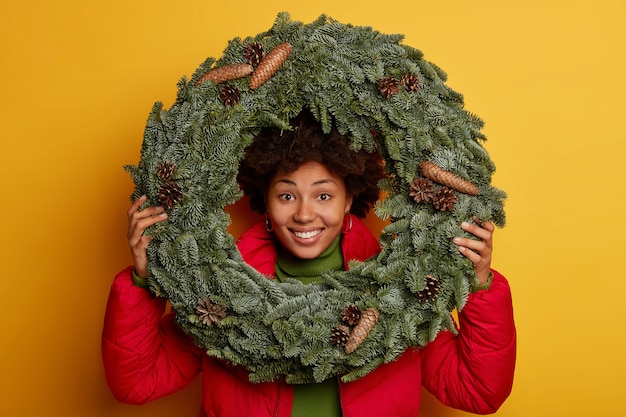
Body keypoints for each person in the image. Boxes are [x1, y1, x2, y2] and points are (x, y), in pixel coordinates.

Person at [102, 110, 516, 417]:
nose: (304, 215)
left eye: (323, 195)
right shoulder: (219, 296)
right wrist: (143, 281)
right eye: (286, 195)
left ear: (349, 198)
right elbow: (137, 382)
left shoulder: (400, 296)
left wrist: (478, 287)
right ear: (265, 199)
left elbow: (478, 391)